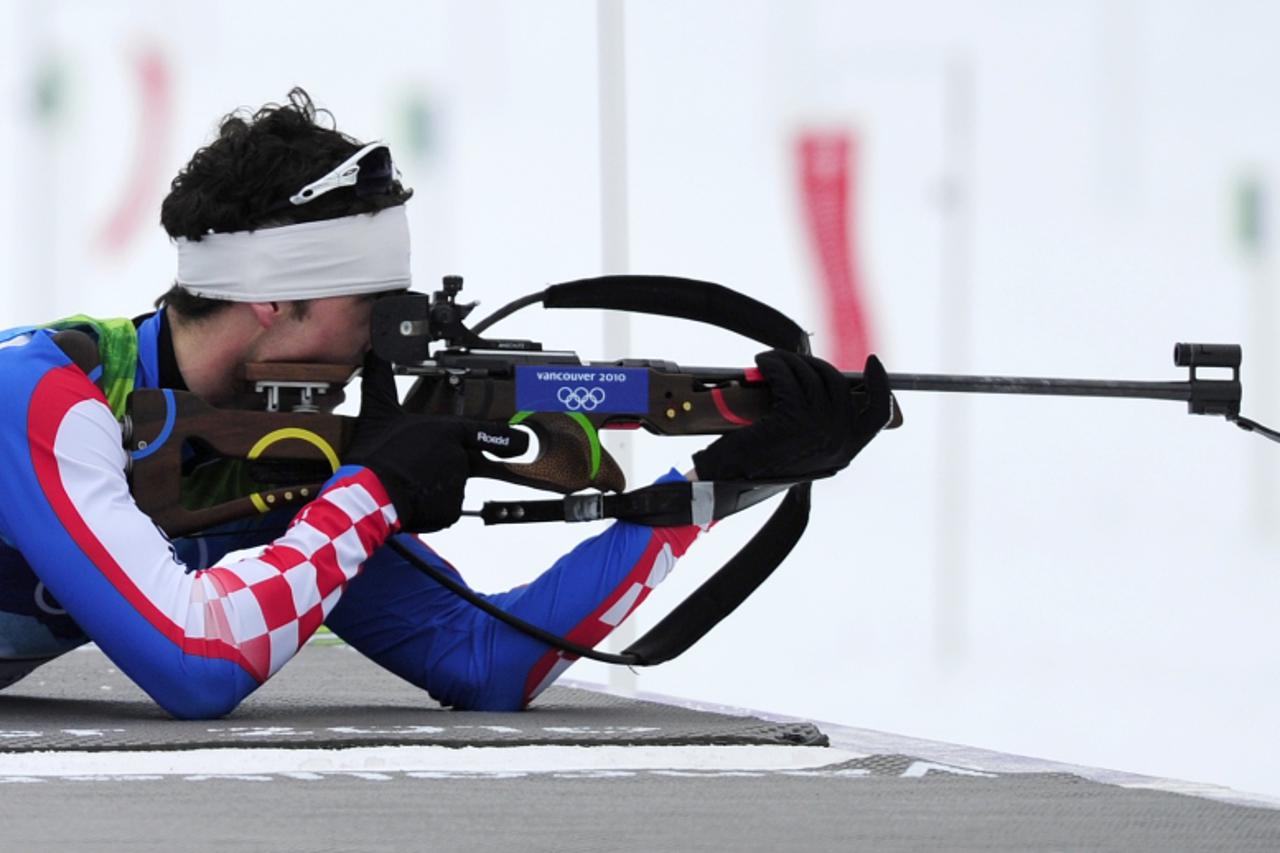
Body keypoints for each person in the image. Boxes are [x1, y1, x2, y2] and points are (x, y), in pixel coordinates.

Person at [0, 89, 892, 719]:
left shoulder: (277, 453)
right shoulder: (43, 394)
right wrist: (371, 489)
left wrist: (724, 479)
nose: (385, 336)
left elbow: (486, 660)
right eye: (373, 305)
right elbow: (194, 666)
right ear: (273, 298)